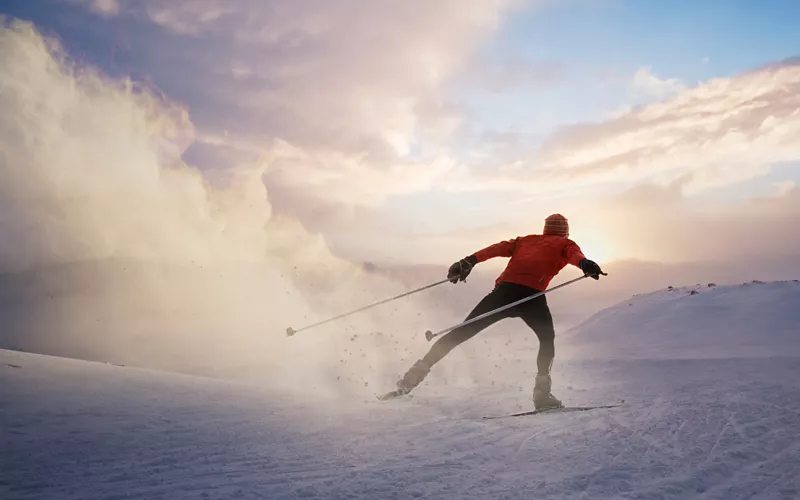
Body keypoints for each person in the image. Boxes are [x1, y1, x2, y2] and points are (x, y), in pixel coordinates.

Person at [388, 214, 604, 409]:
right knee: (547, 340)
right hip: (532, 299)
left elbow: (496, 249)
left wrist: (468, 261)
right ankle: (542, 396)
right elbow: (576, 256)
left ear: (545, 229)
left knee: (461, 333)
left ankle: (410, 381)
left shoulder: (525, 240)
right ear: (566, 231)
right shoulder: (566, 244)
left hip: (503, 294)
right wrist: (585, 264)